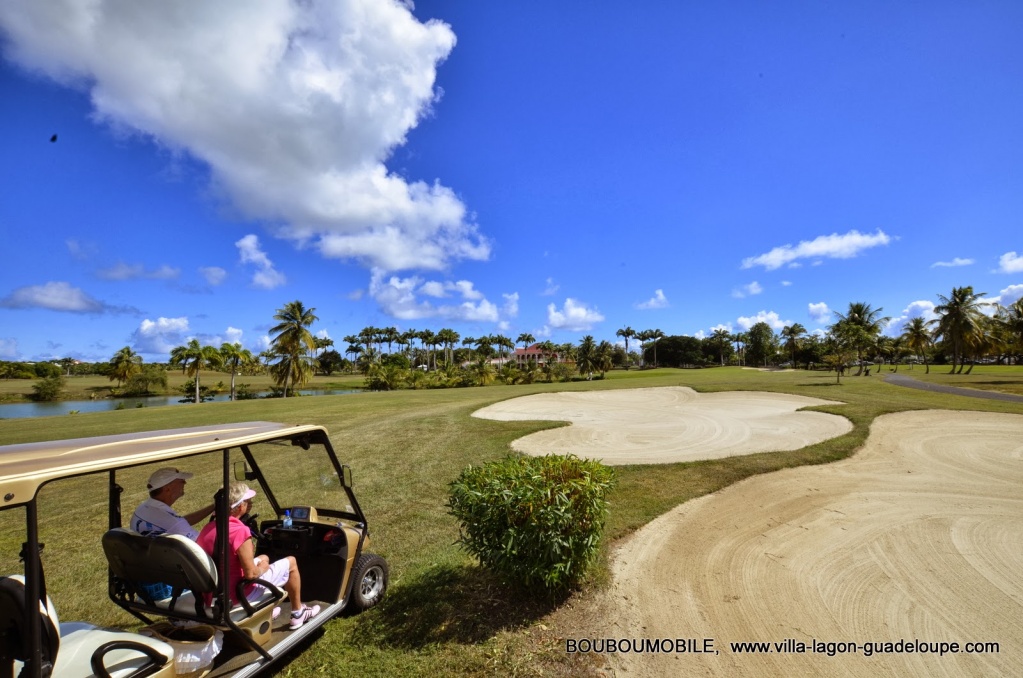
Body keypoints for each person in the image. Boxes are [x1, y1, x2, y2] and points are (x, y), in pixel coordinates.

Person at [196, 482, 320, 630]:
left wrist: (263, 561)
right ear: (240, 506)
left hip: (215, 592)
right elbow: (251, 574)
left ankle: (266, 611)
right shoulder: (239, 531)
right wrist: (262, 568)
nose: (250, 504)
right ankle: (298, 613)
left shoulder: (208, 528)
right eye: (247, 501)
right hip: (239, 594)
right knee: (291, 562)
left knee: (264, 557)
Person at [131, 468, 215, 540]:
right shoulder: (174, 523)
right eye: (181, 481)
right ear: (167, 489)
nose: (185, 483)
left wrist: (214, 506)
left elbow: (180, 522)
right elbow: (202, 544)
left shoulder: (142, 508)